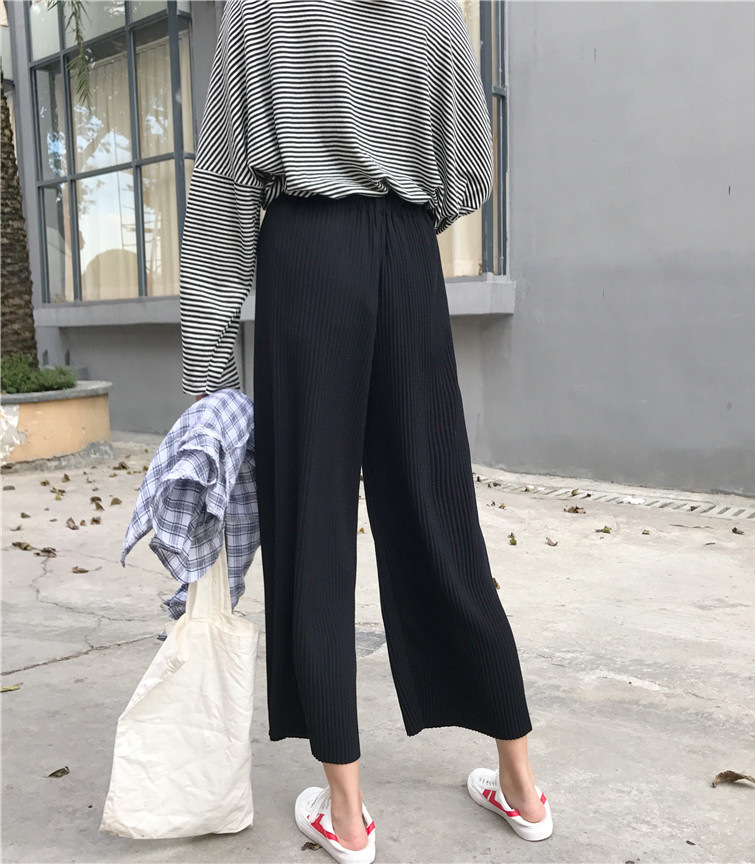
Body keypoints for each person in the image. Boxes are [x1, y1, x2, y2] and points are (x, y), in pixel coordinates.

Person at [179, 2, 553, 861]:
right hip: (408, 256)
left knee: (311, 526)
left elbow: (226, 185)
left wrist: (208, 373)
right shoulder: (435, 11)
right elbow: (469, 172)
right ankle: (522, 784)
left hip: (306, 256)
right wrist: (396, 215)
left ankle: (347, 817)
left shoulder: (262, 9)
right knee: (438, 511)